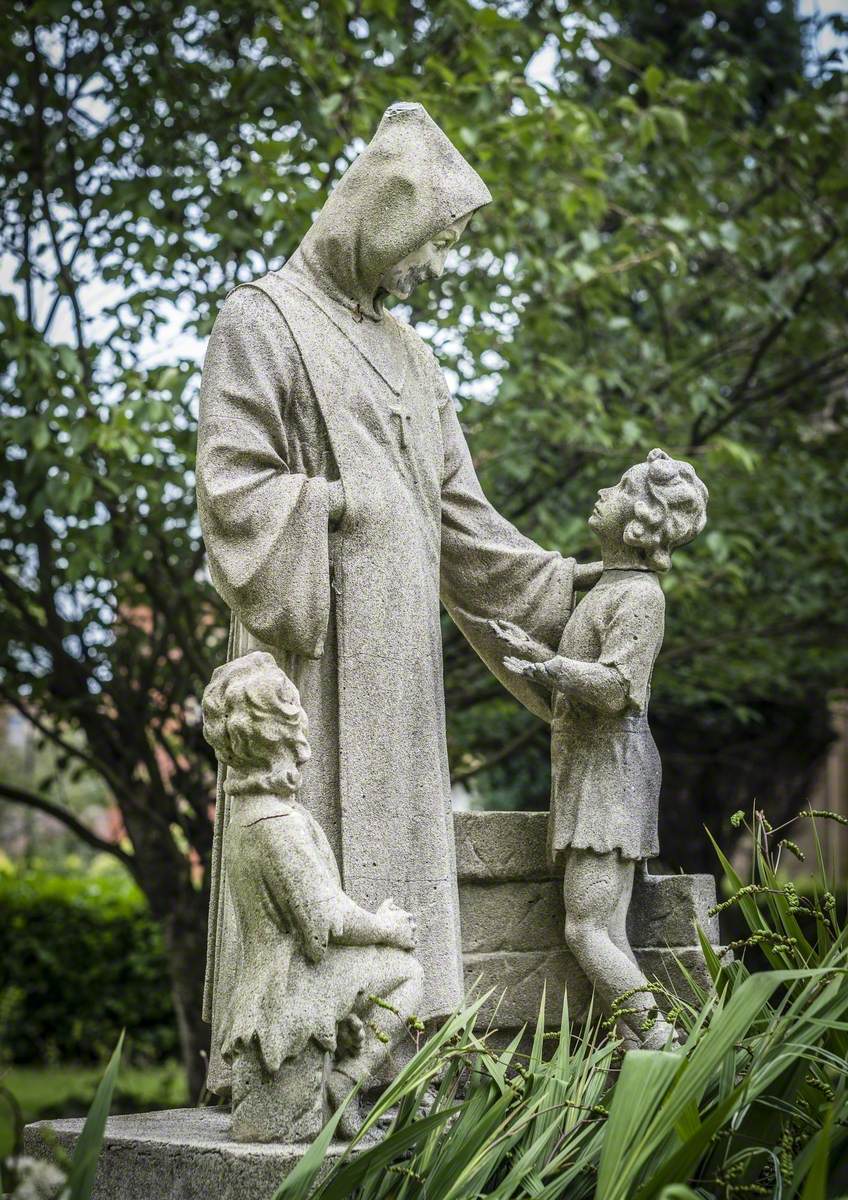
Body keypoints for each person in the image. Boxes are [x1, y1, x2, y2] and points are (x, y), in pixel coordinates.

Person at [197, 101, 600, 1091]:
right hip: (312, 656)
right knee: (315, 849)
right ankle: (302, 1062)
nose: (434, 265)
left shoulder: (415, 357)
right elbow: (233, 488)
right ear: (381, 218)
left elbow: (460, 521)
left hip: (402, 668)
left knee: (402, 854)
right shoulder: (264, 320)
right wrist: (337, 502)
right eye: (432, 241)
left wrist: (561, 595)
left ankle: (407, 1052)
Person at [493, 449, 708, 1047]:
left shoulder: (640, 598)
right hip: (596, 766)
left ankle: (659, 1036)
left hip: (609, 770)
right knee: (604, 927)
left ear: (640, 520)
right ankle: (642, 1043)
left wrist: (548, 665)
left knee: (586, 928)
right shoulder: (613, 584)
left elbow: (617, 688)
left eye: (619, 487)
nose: (604, 493)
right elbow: (584, 585)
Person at [202, 651, 423, 1140]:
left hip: (269, 979)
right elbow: (324, 922)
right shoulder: (276, 825)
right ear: (281, 731)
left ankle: (342, 1060)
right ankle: (348, 1078)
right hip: (290, 985)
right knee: (408, 973)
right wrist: (385, 925)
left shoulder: (248, 812)